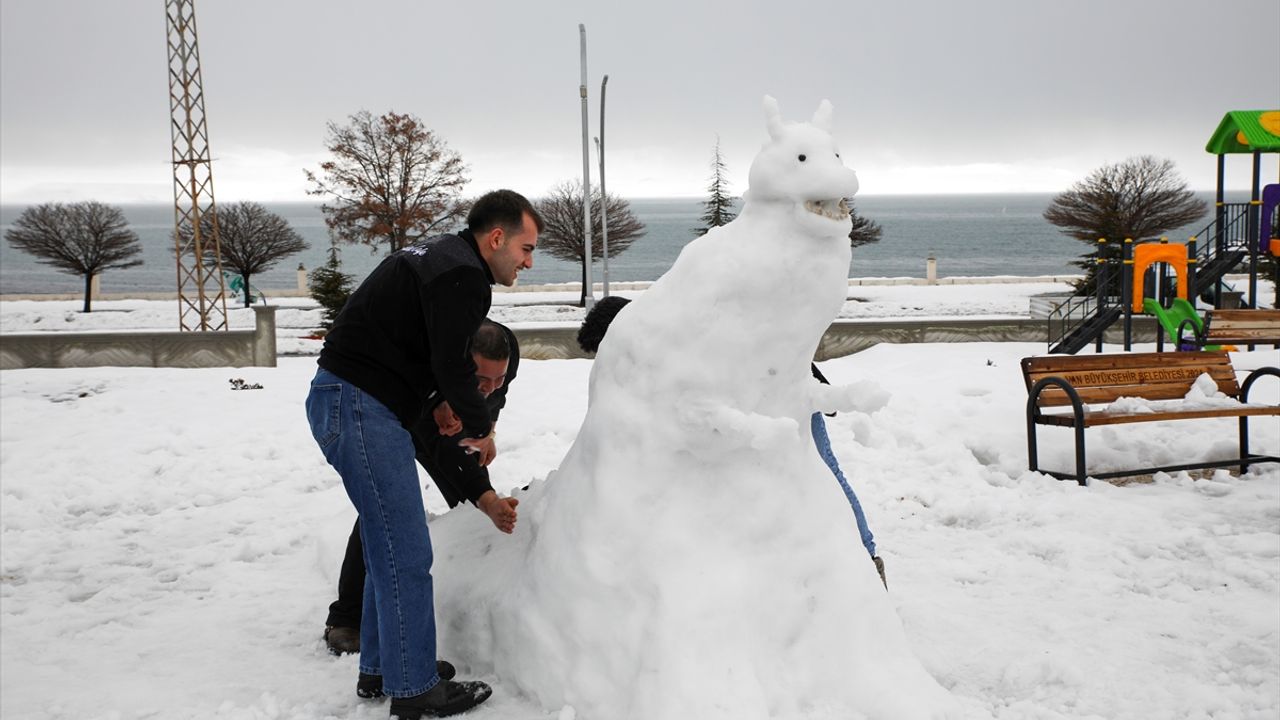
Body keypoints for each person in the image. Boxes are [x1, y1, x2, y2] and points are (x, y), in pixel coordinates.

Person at [305, 190, 540, 720]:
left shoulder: (437, 257)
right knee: (407, 554)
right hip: (361, 407)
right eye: (525, 248)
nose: (528, 261)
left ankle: (383, 668)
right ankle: (414, 691)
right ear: (496, 238)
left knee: (385, 541)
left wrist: (431, 407)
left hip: (352, 402)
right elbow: (450, 363)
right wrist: (478, 425)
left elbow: (409, 347)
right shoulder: (464, 275)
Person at [576, 296, 887, 589]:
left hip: (789, 398)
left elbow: (767, 344)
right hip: (754, 419)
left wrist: (821, 394)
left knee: (826, 472)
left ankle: (867, 558)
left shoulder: (681, 328)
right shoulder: (652, 348)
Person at [325, 320, 521, 673]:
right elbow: (443, 445)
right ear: (460, 366)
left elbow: (493, 401)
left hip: (450, 415)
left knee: (468, 504)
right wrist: (486, 494)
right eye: (480, 381)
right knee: (384, 507)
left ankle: (469, 578)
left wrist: (485, 431)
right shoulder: (434, 359)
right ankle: (346, 617)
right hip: (399, 415)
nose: (491, 388)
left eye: (499, 379)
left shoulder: (506, 353)